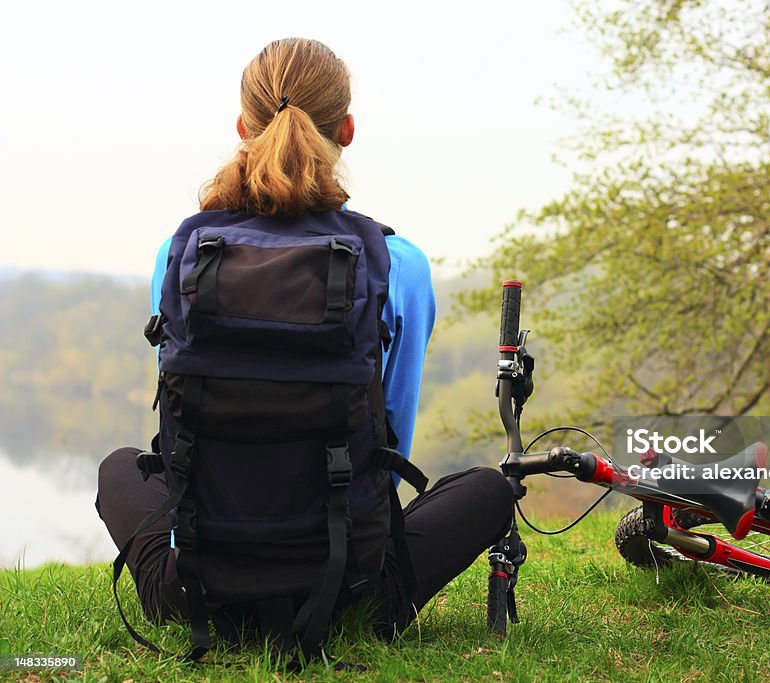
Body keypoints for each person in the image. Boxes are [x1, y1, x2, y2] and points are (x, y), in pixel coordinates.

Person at [96, 37, 513, 650]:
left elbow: (184, 414)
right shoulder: (398, 264)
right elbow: (389, 435)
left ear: (243, 126)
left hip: (197, 590)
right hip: (349, 589)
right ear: (346, 129)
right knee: (490, 488)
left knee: (119, 467)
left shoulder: (179, 255)